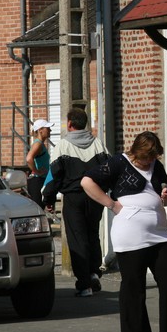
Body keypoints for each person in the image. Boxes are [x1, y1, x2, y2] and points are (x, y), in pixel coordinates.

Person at [81, 132, 167, 332]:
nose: (149, 161)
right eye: (146, 157)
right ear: (137, 152)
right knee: (134, 284)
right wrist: (111, 204)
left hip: (160, 233)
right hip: (130, 233)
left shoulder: (156, 166)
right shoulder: (119, 162)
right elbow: (87, 181)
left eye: (153, 157)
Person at [42, 107, 108, 297]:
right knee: (92, 235)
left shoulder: (62, 146)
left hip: (73, 197)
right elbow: (109, 169)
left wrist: (48, 199)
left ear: (70, 124)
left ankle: (84, 284)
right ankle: (94, 273)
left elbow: (54, 176)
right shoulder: (98, 143)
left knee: (77, 239)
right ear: (85, 124)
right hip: (95, 196)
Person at [26, 119, 53, 208]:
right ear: (40, 130)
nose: (50, 130)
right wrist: (37, 171)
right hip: (37, 181)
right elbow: (29, 159)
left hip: (40, 181)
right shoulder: (38, 144)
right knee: (38, 210)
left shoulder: (40, 143)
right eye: (47, 128)